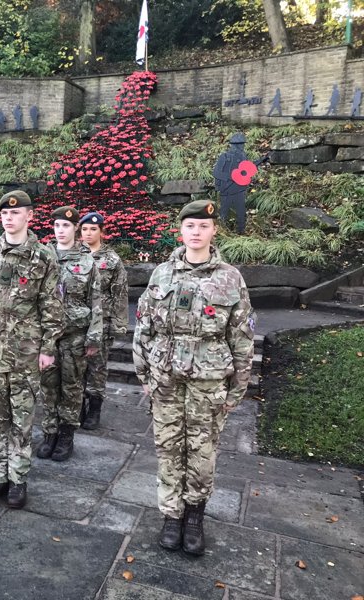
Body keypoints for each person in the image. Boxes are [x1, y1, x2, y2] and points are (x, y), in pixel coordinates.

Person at [132, 200, 256, 556]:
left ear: (214, 230)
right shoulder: (162, 274)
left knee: (202, 451)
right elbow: (145, 326)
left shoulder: (230, 277)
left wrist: (238, 388)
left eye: (203, 226)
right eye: (190, 226)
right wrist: (143, 372)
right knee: (168, 446)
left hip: (209, 380)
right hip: (166, 377)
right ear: (181, 231)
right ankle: (172, 516)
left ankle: (195, 517)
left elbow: (241, 336)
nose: (196, 232)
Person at [0, 190, 63, 509]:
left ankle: (18, 480)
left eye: (15, 213)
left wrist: (48, 346)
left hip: (25, 348)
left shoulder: (44, 256)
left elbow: (52, 304)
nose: (8, 218)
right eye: (4, 215)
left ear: (29, 216)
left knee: (22, 418)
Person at [38, 207, 102, 462]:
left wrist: (94, 336)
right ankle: (49, 432)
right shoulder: (42, 257)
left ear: (76, 228)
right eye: (57, 226)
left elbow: (96, 300)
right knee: (48, 386)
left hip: (75, 334)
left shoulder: (87, 261)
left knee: (72, 387)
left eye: (66, 226)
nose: (61, 230)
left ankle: (66, 435)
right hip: (46, 336)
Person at [79, 212, 129, 429]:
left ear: (101, 232)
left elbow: (120, 293)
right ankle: (78, 405)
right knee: (76, 366)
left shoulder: (111, 260)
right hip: (78, 321)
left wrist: (119, 324)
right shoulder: (74, 256)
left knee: (97, 368)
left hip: (103, 322)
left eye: (93, 229)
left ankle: (95, 408)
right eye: (84, 229)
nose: (88, 233)